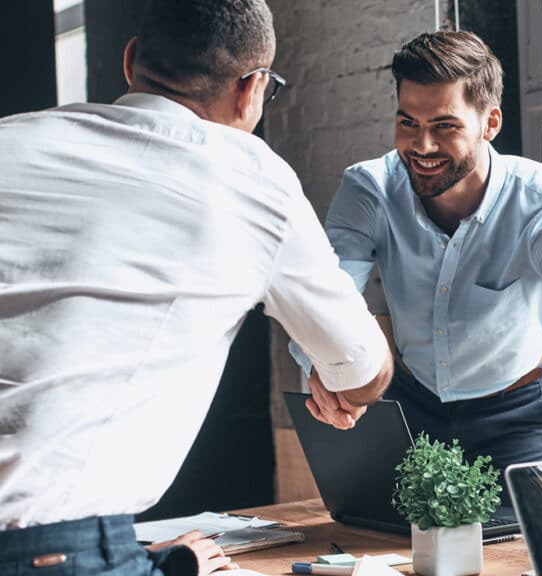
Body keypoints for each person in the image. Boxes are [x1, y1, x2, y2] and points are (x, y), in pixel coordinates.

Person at [0, 1, 392, 574]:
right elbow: (362, 371)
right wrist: (341, 387)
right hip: (56, 553)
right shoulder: (251, 178)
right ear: (251, 90)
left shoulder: (12, 140)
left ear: (132, 59)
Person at [291, 30, 542, 481]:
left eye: (444, 126)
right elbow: (322, 297)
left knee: (523, 548)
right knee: (388, 546)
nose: (422, 146)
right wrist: (323, 365)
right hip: (410, 408)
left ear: (490, 123)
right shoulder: (369, 188)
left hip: (517, 416)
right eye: (408, 123)